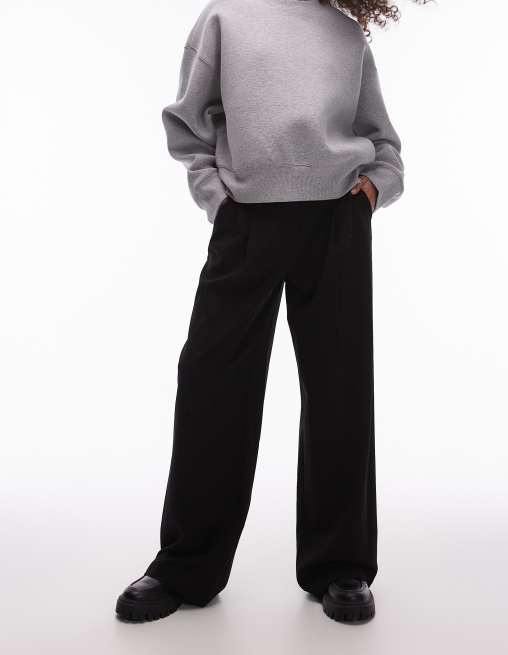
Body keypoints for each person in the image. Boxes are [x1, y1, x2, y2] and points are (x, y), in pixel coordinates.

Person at [116, 0, 413, 625]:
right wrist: (219, 200)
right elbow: (186, 122)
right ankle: (187, 564)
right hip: (246, 220)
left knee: (340, 389)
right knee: (213, 382)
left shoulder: (345, 31)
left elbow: (383, 141)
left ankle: (341, 565)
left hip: (336, 218)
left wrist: (371, 191)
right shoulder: (225, 18)